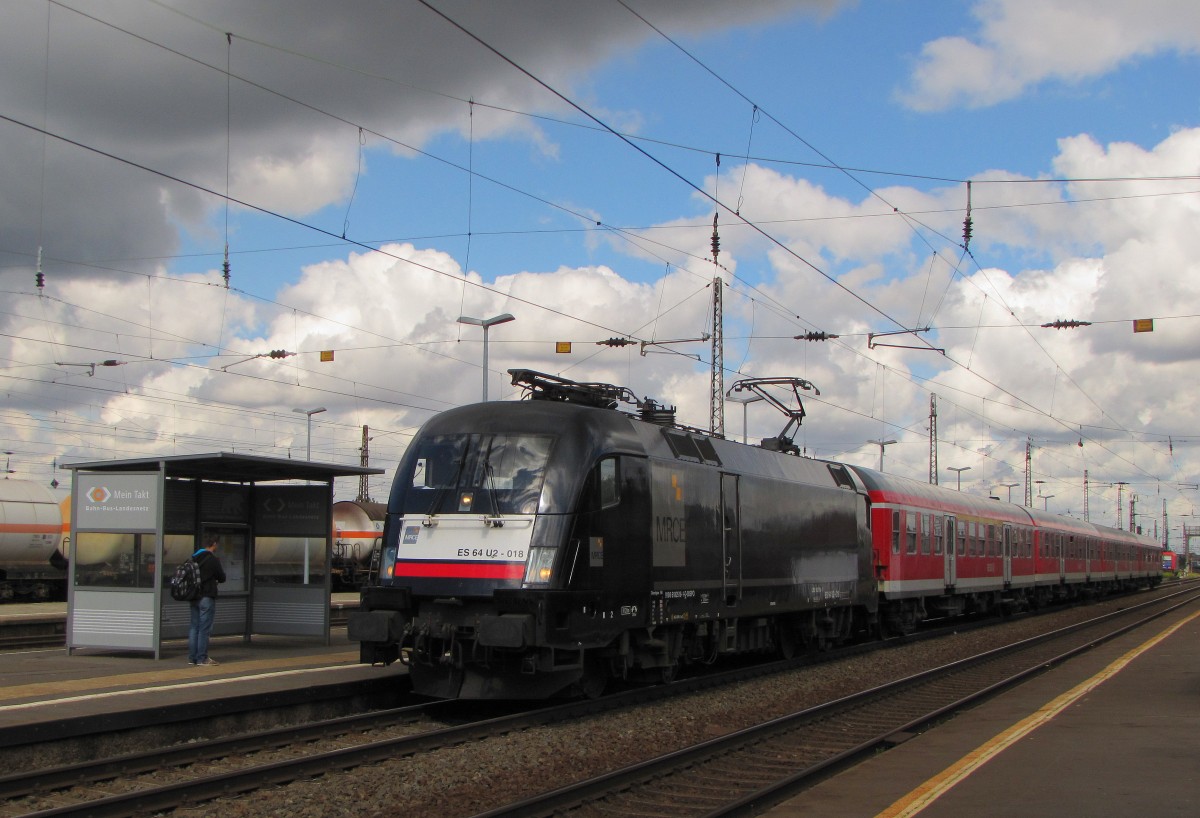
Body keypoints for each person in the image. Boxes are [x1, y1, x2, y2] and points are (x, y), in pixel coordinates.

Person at [187, 536, 227, 666]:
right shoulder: (212, 559)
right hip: (206, 597)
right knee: (204, 628)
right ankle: (202, 658)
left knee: (194, 627)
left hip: (194, 597)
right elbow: (222, 577)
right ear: (214, 544)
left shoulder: (194, 558)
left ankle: (192, 658)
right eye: (217, 545)